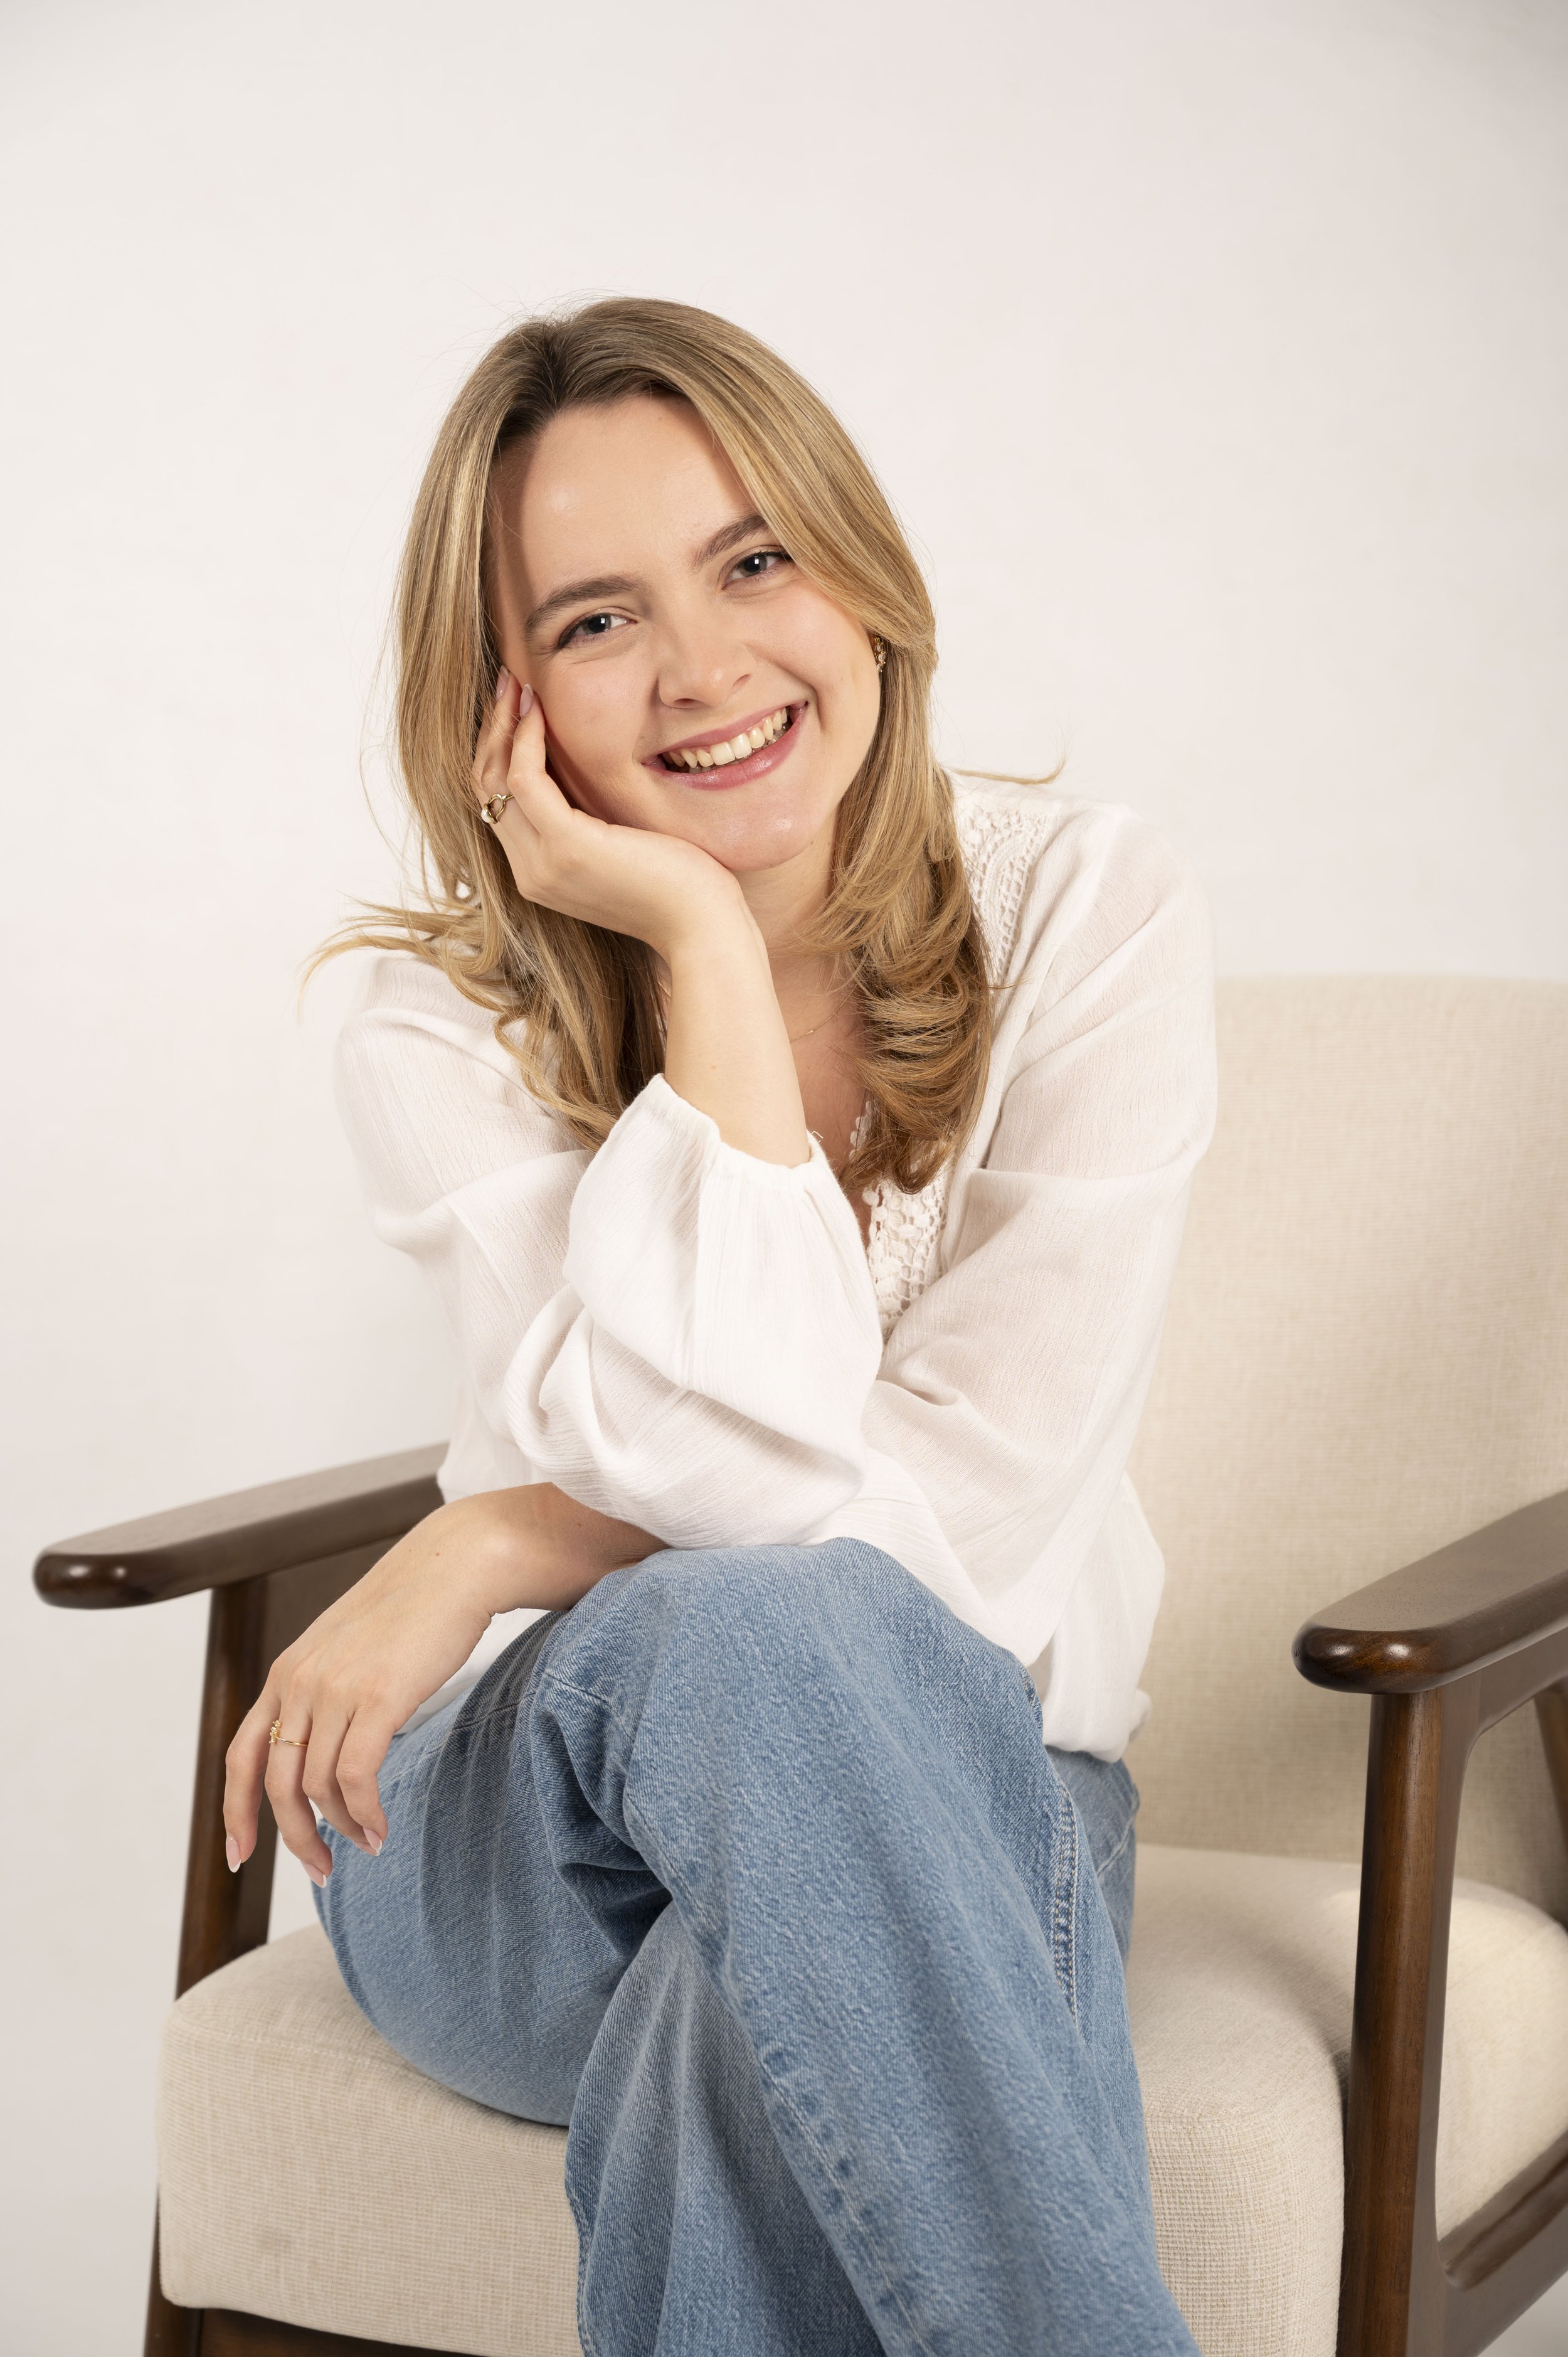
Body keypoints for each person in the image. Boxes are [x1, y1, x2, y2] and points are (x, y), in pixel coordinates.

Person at [223, 297, 1214, 2356]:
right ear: (506, 706)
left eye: (753, 561)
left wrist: (499, 1534)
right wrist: (700, 944)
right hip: (507, 1850)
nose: (701, 669)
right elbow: (742, 1495)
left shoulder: (1083, 912)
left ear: (857, 571)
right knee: (742, 1622)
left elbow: (983, 1515)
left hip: (974, 1795)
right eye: (596, 621)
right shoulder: (437, 1025)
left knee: (737, 1984)